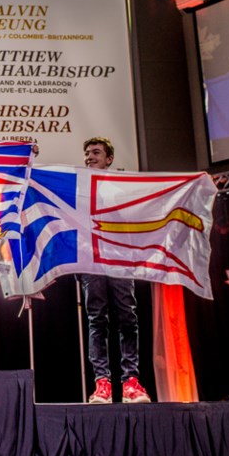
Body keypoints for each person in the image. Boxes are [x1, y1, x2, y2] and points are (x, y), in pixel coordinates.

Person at [80, 136, 151, 404]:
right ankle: (102, 384)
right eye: (87, 153)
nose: (90, 156)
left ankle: (131, 382)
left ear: (109, 159)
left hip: (121, 257)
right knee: (97, 319)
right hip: (92, 259)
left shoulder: (123, 186)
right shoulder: (79, 187)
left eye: (96, 152)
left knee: (127, 318)